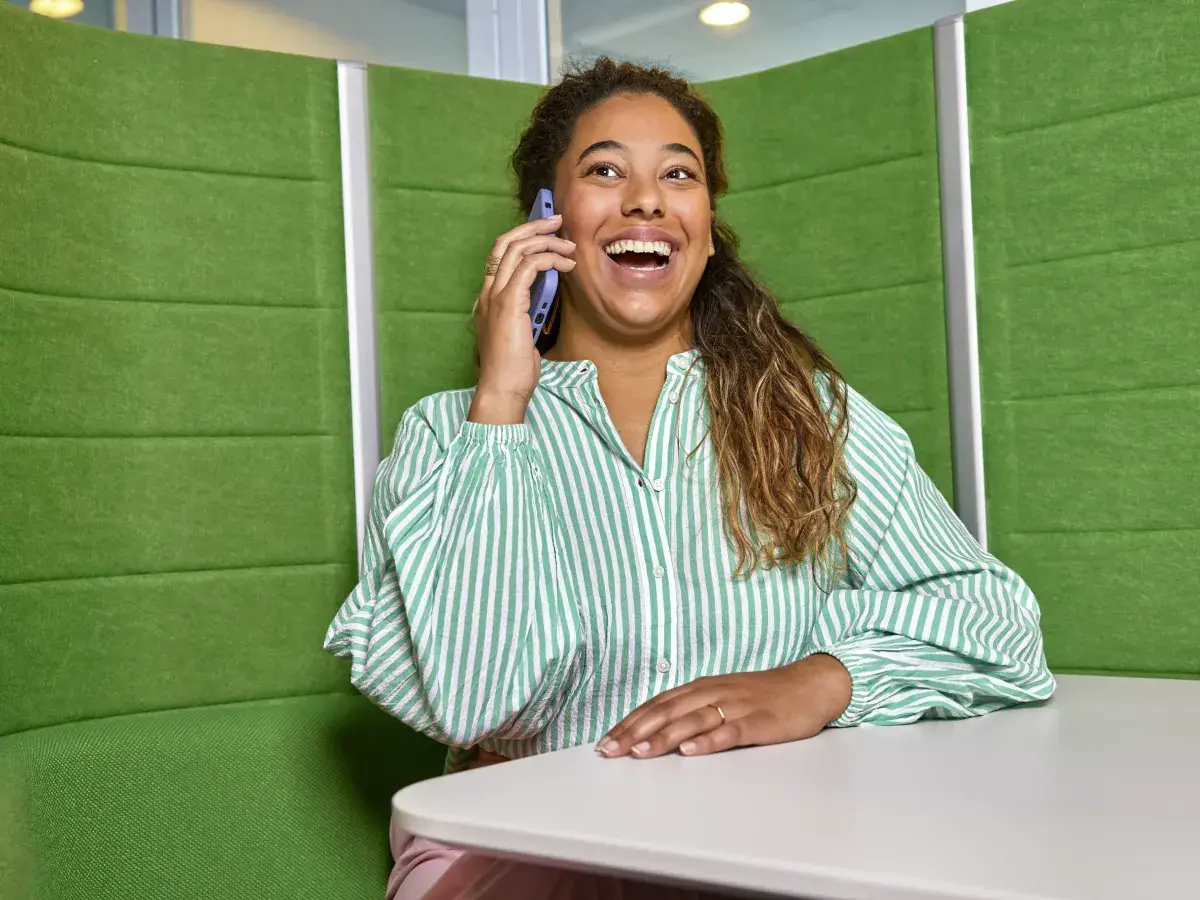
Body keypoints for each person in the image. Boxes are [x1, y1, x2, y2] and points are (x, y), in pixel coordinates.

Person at [324, 57, 1054, 900]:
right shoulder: (449, 435)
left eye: (679, 173)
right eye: (605, 171)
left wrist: (820, 682)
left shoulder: (808, 416)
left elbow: (1003, 627)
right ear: (544, 220)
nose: (647, 200)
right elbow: (481, 700)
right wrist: (503, 402)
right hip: (530, 854)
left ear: (705, 226)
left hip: (763, 843)